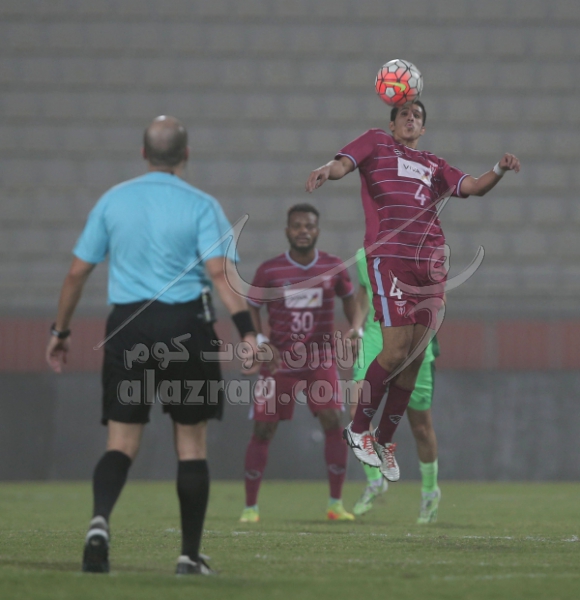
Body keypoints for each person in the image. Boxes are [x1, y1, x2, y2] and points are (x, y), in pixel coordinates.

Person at [46, 116, 258, 576]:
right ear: (186, 155)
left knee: (121, 442)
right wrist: (248, 333)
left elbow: (76, 273)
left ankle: (99, 523)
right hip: (186, 327)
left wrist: (59, 332)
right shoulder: (202, 205)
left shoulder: (113, 200)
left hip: (129, 328)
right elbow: (220, 275)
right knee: (191, 444)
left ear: (143, 153)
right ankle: (188, 557)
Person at [306, 100, 520, 481]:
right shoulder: (376, 142)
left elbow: (474, 186)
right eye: (404, 113)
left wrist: (499, 169)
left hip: (431, 264)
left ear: (423, 129)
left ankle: (384, 441)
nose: (410, 118)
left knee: (414, 357)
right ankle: (358, 430)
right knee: (394, 351)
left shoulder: (434, 165)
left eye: (417, 116)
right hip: (391, 258)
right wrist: (327, 169)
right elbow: (343, 164)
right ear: (392, 125)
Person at [239, 203, 357, 523]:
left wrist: (356, 329)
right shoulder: (270, 270)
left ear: (317, 230)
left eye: (309, 226)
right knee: (263, 428)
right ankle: (250, 508)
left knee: (333, 419)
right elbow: (251, 306)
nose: (303, 231)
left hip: (320, 358)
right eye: (297, 226)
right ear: (287, 231)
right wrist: (260, 341)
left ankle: (335, 504)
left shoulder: (333, 266)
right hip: (279, 360)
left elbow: (351, 300)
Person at [349, 247, 441, 523]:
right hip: (375, 339)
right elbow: (364, 291)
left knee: (421, 427)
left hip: (413, 343)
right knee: (356, 408)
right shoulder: (364, 254)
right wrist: (357, 327)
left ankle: (430, 492)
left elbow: (438, 299)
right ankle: (375, 480)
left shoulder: (423, 250)